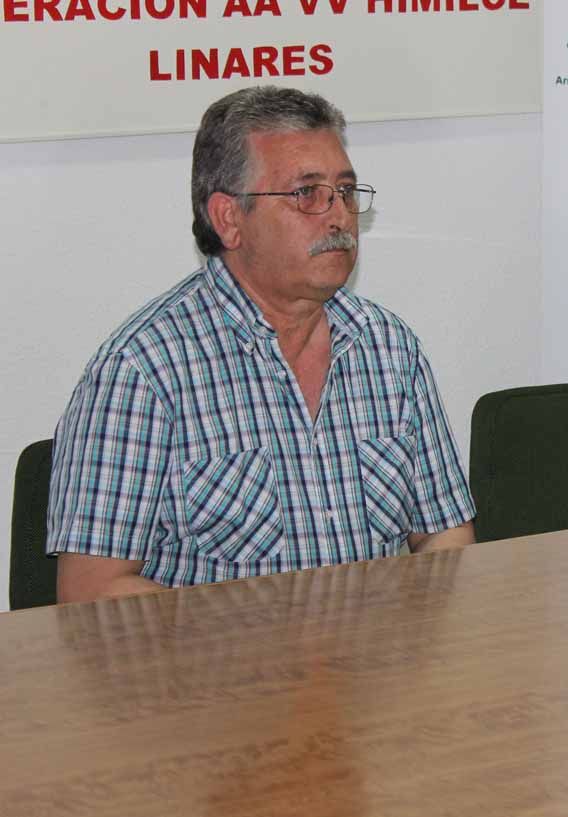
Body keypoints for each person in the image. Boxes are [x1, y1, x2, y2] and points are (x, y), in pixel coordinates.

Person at [47, 86, 476, 602]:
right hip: (219, 674)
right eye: (307, 194)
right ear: (229, 218)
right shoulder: (144, 371)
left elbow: (444, 535)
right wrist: (267, 654)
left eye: (345, 191)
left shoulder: (389, 347)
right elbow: (92, 594)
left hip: (377, 667)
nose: (339, 216)